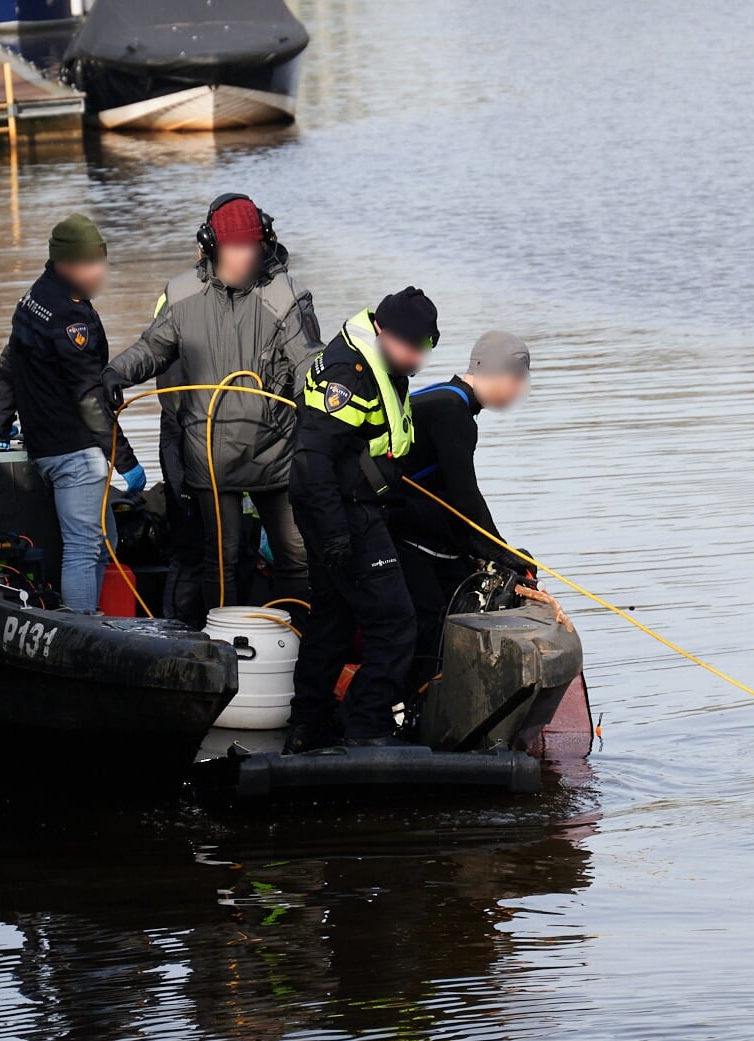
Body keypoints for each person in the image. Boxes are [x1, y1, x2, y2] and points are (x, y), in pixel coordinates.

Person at [107, 194, 322, 619]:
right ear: (211, 245)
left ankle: (296, 644)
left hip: (276, 457)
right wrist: (116, 372)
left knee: (296, 556)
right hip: (209, 458)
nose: (245, 256)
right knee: (221, 561)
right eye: (235, 247)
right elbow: (153, 348)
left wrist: (319, 423)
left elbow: (308, 366)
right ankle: (223, 648)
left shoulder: (286, 297)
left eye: (252, 246)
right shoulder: (183, 294)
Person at [284, 288, 439, 751]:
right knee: (395, 623)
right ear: (382, 332)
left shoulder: (383, 364)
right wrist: (334, 533)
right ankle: (366, 727)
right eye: (409, 348)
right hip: (339, 510)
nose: (415, 358)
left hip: (347, 505)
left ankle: (307, 728)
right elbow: (312, 459)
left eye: (423, 350)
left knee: (331, 622)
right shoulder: (347, 374)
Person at [0, 214, 142, 615]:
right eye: (90, 264)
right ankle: (82, 629)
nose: (98, 272)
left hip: (45, 446)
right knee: (84, 547)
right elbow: (89, 399)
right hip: (76, 452)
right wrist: (126, 461)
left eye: (100, 262)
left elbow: (10, 363)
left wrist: (0, 421)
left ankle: (99, 618)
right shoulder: (69, 318)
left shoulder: (33, 298)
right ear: (65, 264)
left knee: (104, 538)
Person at [389, 331, 535, 697]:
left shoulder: (440, 397)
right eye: (519, 382)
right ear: (502, 377)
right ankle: (403, 705)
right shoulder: (454, 415)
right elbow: (465, 498)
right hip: (392, 530)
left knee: (452, 590)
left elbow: (452, 500)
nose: (521, 393)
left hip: (407, 525)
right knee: (429, 616)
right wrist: (506, 555)